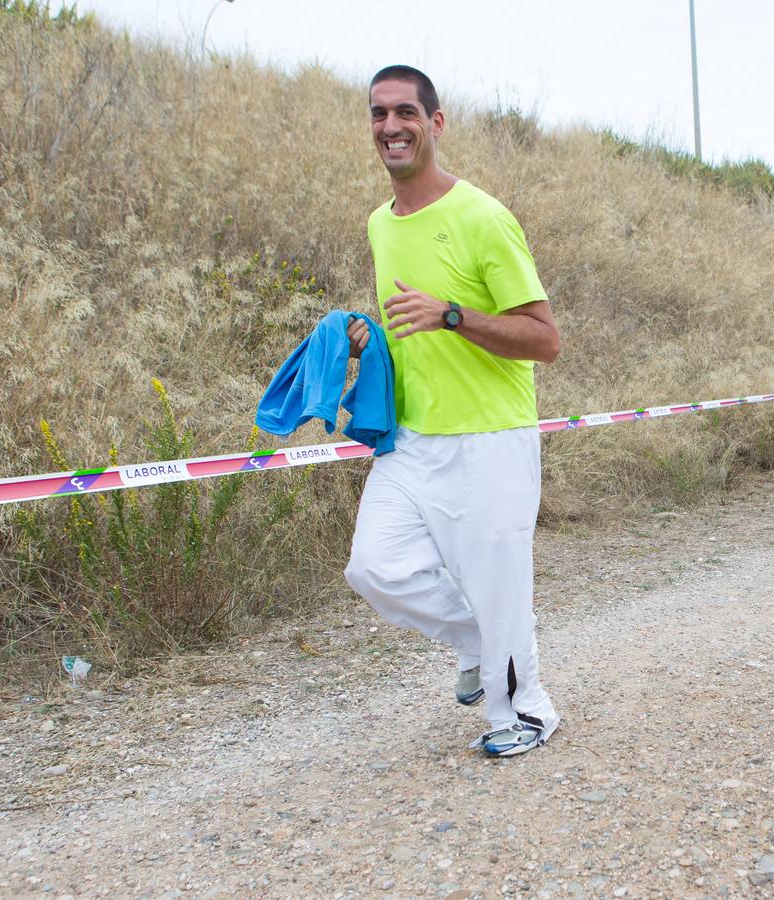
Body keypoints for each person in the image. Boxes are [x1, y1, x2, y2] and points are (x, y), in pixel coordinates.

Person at [343, 65, 562, 758]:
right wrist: (369, 339)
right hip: (412, 439)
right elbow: (412, 327)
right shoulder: (381, 223)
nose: (390, 127)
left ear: (435, 123)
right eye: (378, 114)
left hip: (491, 439)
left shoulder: (483, 218)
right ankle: (477, 642)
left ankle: (526, 714)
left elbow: (543, 340)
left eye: (405, 112)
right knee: (373, 567)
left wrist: (454, 315)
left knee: (500, 590)